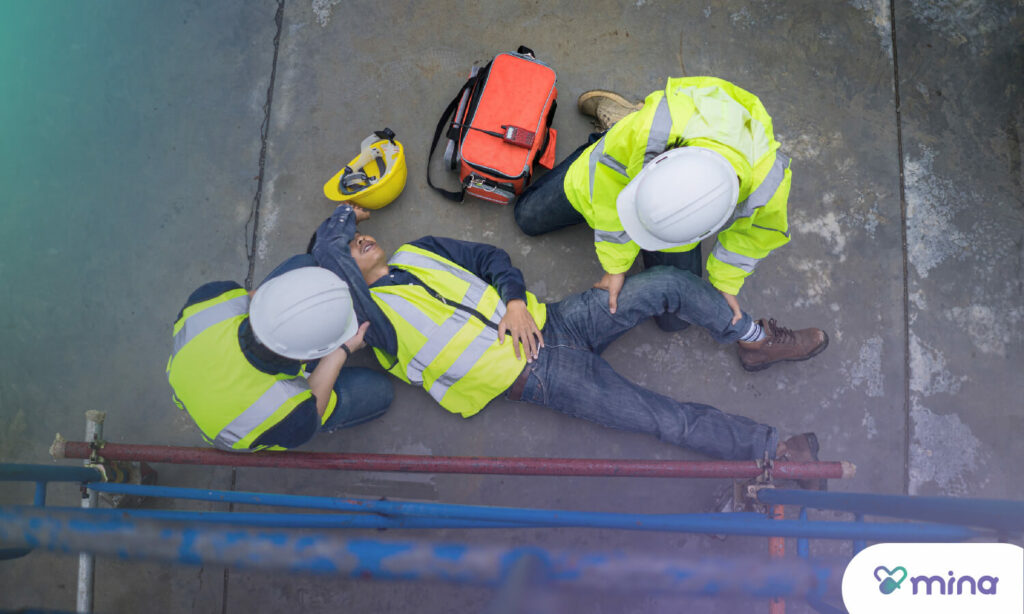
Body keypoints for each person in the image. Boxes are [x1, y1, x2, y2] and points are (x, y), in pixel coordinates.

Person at [309, 204, 823, 478]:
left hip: (557, 322)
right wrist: (338, 223)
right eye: (349, 249)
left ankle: (753, 339)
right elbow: (339, 269)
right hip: (543, 379)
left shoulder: (419, 252)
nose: (360, 241)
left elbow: (489, 258)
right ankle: (778, 451)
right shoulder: (370, 325)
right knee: (665, 418)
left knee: (666, 285)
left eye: (353, 237)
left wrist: (512, 300)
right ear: (342, 278)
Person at [514, 76, 827, 372]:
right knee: (527, 216)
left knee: (675, 321)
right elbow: (606, 189)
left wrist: (726, 282)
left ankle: (623, 124)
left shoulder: (769, 178)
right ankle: (617, 125)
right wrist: (615, 265)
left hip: (666, 171)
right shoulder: (651, 130)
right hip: (622, 154)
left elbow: (756, 235)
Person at [166, 252, 394, 451]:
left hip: (194, 378)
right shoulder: (287, 414)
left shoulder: (210, 297)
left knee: (304, 263)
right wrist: (341, 351)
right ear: (308, 356)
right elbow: (313, 412)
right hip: (235, 431)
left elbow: (252, 297)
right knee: (380, 392)